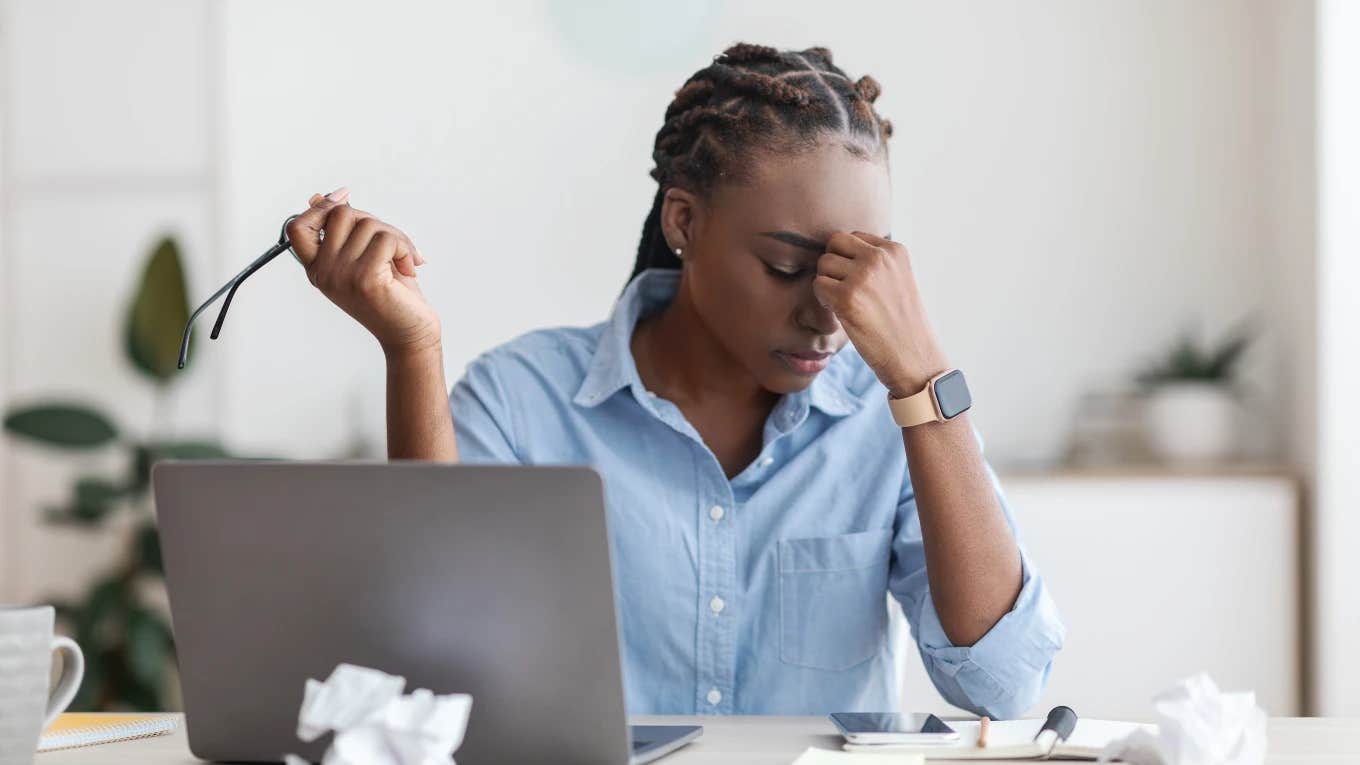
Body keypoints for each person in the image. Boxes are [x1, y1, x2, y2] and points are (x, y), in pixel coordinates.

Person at [284, 42, 1064, 718]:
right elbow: (427, 661)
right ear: (684, 221)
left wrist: (925, 375)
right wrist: (410, 349)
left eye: (857, 275)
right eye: (789, 267)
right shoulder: (524, 401)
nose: (828, 317)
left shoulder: (888, 416)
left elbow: (1004, 681)